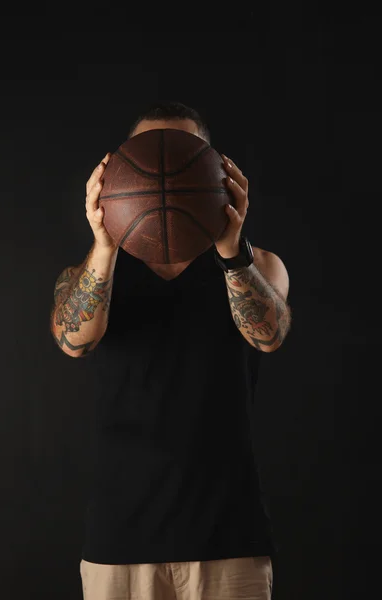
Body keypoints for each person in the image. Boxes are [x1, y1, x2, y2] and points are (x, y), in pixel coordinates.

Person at [50, 102, 291, 600]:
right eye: (149, 157)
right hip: (120, 540)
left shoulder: (258, 263)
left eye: (179, 155)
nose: (162, 169)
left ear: (216, 170)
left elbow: (268, 335)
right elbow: (74, 341)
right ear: (119, 173)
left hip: (229, 538)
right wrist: (104, 242)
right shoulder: (95, 274)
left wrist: (230, 248)